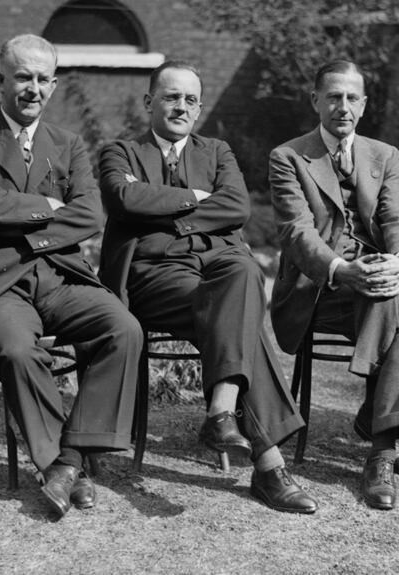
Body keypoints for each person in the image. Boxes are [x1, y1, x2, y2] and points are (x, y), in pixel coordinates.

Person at [98, 61, 318, 514]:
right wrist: (197, 200)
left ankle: (222, 411)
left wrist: (158, 210)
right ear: (149, 102)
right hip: (157, 275)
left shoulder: (216, 151)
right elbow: (123, 198)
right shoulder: (120, 151)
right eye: (172, 97)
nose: (182, 107)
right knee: (241, 319)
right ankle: (268, 465)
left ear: (199, 107)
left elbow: (236, 207)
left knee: (244, 273)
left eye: (190, 100)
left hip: (218, 266)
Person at [0, 34, 143, 517]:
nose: (34, 89)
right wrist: (50, 207)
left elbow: (90, 214)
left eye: (44, 80)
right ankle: (57, 465)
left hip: (57, 273)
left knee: (123, 328)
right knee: (15, 350)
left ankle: (68, 460)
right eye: (23, 77)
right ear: (0, 80)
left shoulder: (67, 144)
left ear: (53, 85)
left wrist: (28, 230)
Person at [269, 60, 399, 511]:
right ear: (315, 100)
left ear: (364, 104)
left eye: (352, 98)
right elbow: (297, 234)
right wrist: (342, 269)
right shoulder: (288, 157)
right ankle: (381, 426)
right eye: (333, 97)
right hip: (319, 289)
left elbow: (396, 217)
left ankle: (379, 450)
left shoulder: (385, 155)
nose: (343, 106)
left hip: (374, 284)